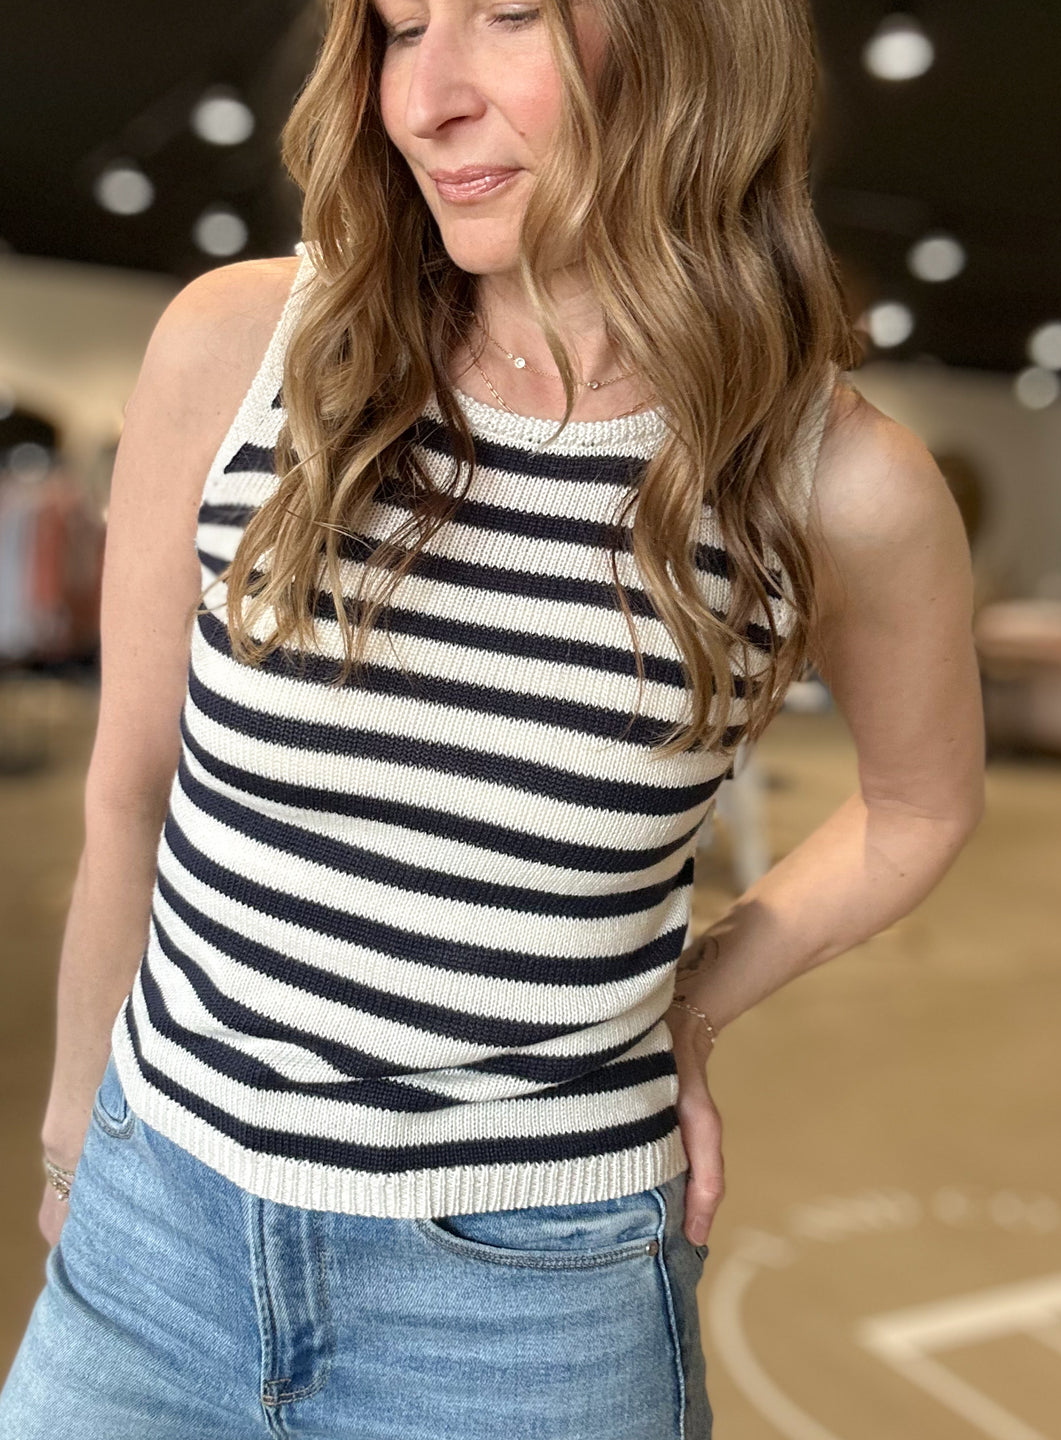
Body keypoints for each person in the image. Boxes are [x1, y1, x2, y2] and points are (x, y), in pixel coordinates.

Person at [0, 0, 986, 1435]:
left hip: (528, 1306)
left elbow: (920, 805)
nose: (426, 101)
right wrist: (74, 1126)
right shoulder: (242, 348)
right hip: (154, 1221)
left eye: (510, 14)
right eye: (401, 29)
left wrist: (696, 997)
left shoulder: (832, 481)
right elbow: (131, 783)